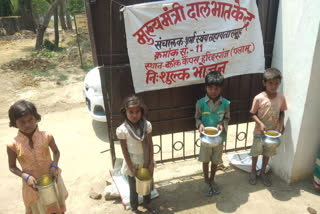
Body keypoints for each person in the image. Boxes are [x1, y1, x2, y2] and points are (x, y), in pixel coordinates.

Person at [6, 100, 68, 214]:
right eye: (22, 122)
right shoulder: (13, 145)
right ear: (15, 123)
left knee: (56, 206)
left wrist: (54, 165)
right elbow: (12, 167)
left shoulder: (47, 136)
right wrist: (24, 176)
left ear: (36, 118)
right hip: (32, 185)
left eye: (30, 120)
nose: (27, 125)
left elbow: (56, 152)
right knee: (39, 209)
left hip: (51, 179)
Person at [249, 68, 287, 186]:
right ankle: (253, 171)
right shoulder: (259, 98)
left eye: (276, 83)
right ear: (264, 83)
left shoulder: (281, 97)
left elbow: (281, 112)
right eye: (270, 83)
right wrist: (260, 124)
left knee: (267, 154)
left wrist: (281, 124)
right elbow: (252, 114)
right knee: (256, 153)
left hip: (272, 133)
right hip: (259, 132)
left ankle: (263, 172)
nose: (273, 86)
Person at [116, 95, 154, 213]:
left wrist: (151, 162)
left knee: (147, 183)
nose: (134, 115)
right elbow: (125, 151)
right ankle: (134, 207)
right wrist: (131, 167)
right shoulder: (122, 130)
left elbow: (150, 145)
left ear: (141, 112)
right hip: (132, 162)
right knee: (133, 187)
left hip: (146, 161)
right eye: (130, 112)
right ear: (125, 112)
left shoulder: (146, 125)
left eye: (137, 111)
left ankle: (147, 203)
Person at [195, 71, 230, 196]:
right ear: (205, 87)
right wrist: (200, 125)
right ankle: (206, 181)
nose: (213, 91)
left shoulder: (225, 103)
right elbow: (197, 118)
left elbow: (227, 118)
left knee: (215, 161)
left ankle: (212, 180)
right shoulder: (200, 103)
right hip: (206, 139)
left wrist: (222, 124)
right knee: (206, 161)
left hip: (219, 139)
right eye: (210, 88)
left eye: (216, 88)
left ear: (221, 88)